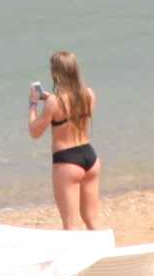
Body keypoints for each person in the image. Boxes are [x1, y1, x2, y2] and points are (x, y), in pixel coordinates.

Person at [27, 50, 101, 230]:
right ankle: (104, 247)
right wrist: (49, 99)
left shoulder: (54, 102)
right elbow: (72, 110)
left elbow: (35, 132)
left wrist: (33, 104)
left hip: (67, 162)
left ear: (56, 73)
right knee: (92, 219)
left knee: (70, 225)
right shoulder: (89, 94)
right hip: (90, 157)